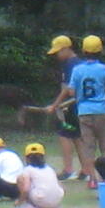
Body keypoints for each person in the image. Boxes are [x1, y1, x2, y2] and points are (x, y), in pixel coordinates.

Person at [57, 34, 105, 189]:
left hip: (84, 112)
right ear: (100, 51)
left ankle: (92, 179)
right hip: (102, 111)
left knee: (88, 147)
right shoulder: (104, 69)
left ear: (84, 51)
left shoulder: (78, 70)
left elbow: (71, 92)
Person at [44, 35, 85, 180]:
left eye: (58, 51)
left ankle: (68, 170)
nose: (57, 55)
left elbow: (67, 89)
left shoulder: (71, 65)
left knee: (64, 134)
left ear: (67, 49)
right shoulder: (76, 63)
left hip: (72, 107)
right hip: (76, 107)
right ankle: (85, 170)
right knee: (77, 137)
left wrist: (54, 105)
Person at [14, 143, 64, 208]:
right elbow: (60, 185)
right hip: (56, 200)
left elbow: (26, 190)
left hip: (40, 199)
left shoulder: (28, 169)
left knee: (20, 179)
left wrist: (19, 201)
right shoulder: (50, 169)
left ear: (27, 158)